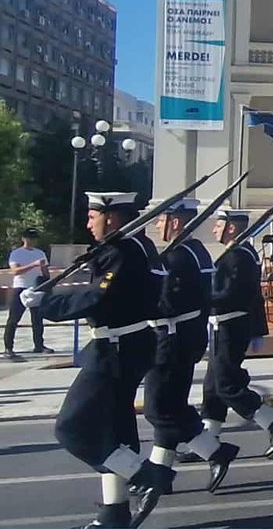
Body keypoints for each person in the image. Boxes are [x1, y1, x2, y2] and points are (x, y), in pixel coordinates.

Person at [19, 193, 161, 528]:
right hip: (127, 345)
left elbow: (99, 296)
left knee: (73, 427)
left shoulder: (123, 250)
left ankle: (144, 473)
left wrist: (46, 305)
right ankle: (114, 514)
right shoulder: (131, 246)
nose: (88, 223)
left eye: (92, 216)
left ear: (111, 218)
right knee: (114, 430)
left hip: (116, 350)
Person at [127, 199, 236, 524]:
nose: (158, 226)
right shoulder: (197, 251)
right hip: (187, 336)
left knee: (159, 407)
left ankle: (214, 451)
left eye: (162, 220)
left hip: (172, 339)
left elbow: (168, 302)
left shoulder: (176, 257)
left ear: (175, 222)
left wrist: (137, 305)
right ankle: (162, 473)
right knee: (170, 405)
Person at [202, 208, 273, 457]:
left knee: (227, 386)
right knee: (213, 387)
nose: (214, 228)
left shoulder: (238, 256)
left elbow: (233, 295)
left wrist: (200, 298)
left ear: (232, 228)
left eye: (219, 224)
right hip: (222, 325)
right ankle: (209, 438)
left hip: (231, 326)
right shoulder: (235, 253)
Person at [5, 228, 51, 358]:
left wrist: (44, 271)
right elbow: (15, 271)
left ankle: (39, 345)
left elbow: (46, 272)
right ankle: (9, 347)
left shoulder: (40, 253)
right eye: (30, 238)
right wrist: (33, 264)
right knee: (14, 319)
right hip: (21, 287)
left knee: (37, 319)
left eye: (34, 238)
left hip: (35, 288)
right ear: (23, 239)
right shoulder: (17, 253)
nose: (32, 241)